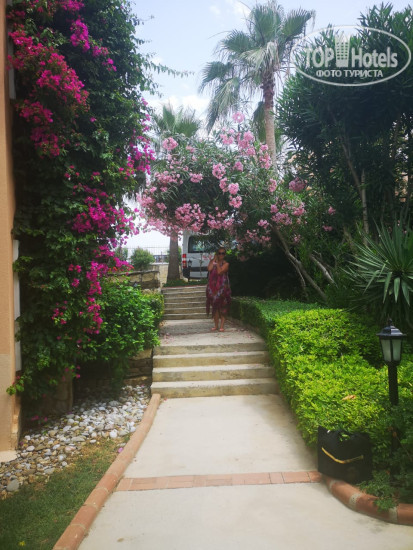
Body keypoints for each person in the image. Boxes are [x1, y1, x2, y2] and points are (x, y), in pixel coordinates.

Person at [206, 247, 231, 332]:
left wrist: (217, 264)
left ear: (225, 254)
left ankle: (222, 326)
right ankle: (216, 325)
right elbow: (209, 269)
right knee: (215, 307)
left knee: (223, 306)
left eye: (222, 253)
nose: (221, 255)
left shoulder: (226, 264)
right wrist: (214, 260)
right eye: (219, 253)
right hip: (213, 288)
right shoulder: (213, 261)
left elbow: (219, 272)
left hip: (223, 288)